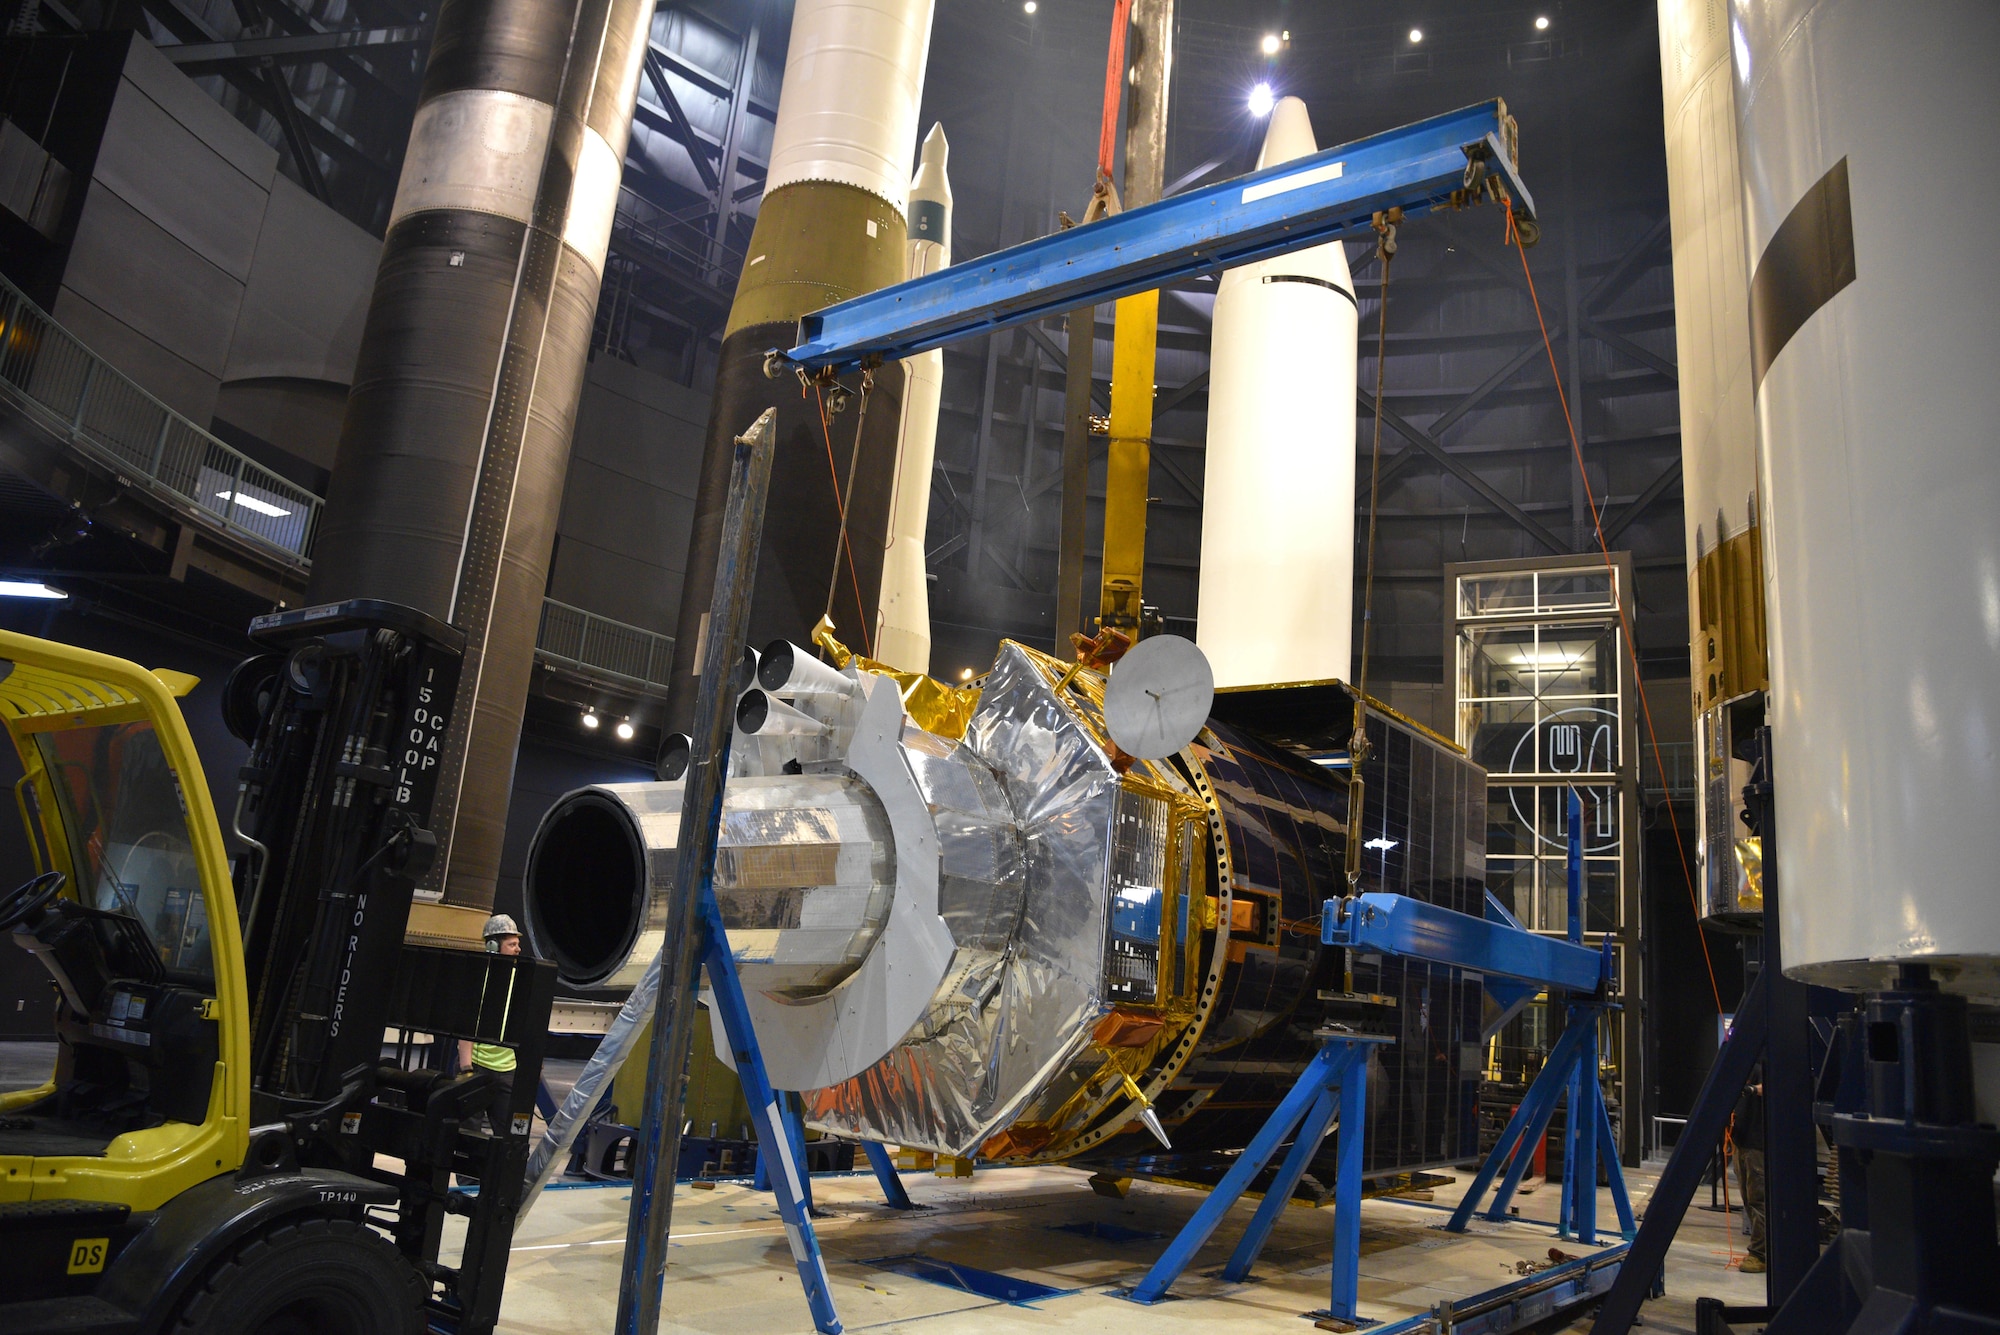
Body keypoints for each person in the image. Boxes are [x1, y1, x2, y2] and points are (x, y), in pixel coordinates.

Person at [459, 914, 522, 1136]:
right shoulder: (479, 978)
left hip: (508, 1070)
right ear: (493, 946)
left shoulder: (519, 978)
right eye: (512, 944)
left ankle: (497, 1172)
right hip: (479, 1066)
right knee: (469, 1131)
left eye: (518, 944)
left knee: (507, 1134)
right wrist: (466, 1068)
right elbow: (466, 1025)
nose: (517, 949)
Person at [1733, 1060, 1767, 1273]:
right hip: (1741, 1141)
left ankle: (1759, 1254)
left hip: (1758, 1143)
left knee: (1758, 1201)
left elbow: (1776, 1086)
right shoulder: (1747, 1061)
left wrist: (1752, 1089)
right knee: (1748, 1200)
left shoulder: (1768, 1059)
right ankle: (1759, 1249)